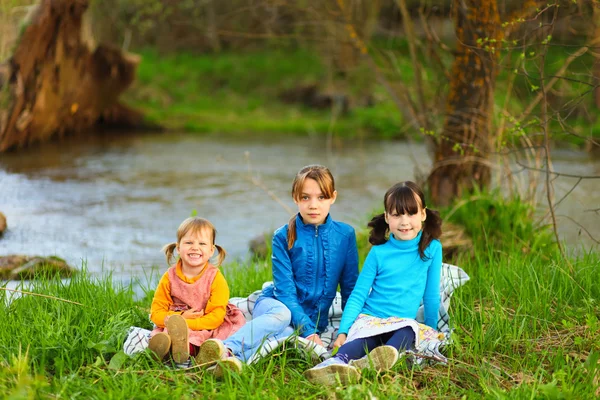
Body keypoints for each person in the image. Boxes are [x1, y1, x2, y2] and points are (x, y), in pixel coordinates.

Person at [197, 164, 359, 376]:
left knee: (285, 336)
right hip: (275, 305)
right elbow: (285, 294)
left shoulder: (345, 235)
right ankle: (226, 347)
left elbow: (350, 291)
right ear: (295, 198)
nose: (313, 205)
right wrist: (309, 331)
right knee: (282, 317)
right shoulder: (283, 236)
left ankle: (227, 364)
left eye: (321, 197)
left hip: (310, 322)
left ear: (333, 197)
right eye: (305, 197)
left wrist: (345, 331)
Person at [305, 181, 443, 386]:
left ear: (422, 214)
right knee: (362, 340)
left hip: (402, 322)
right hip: (372, 318)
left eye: (411, 214)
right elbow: (359, 294)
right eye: (397, 215)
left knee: (407, 332)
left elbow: (431, 296)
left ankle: (378, 361)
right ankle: (335, 362)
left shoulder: (432, 249)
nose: (404, 221)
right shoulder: (379, 253)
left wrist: (430, 329)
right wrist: (343, 331)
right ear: (387, 218)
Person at [148, 217, 246, 364]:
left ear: (211, 250)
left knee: (203, 337)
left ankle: (187, 351)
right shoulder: (169, 277)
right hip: (176, 323)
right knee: (165, 333)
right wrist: (180, 317)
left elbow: (216, 317)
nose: (195, 247)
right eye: (188, 242)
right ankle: (165, 349)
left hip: (207, 322)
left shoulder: (215, 278)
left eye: (202, 243)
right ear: (179, 247)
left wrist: (186, 323)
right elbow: (156, 313)